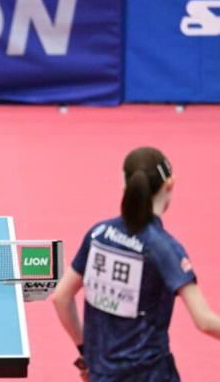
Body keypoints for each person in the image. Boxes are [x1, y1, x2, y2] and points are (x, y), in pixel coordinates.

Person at [52, 146, 220, 381]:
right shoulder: (164, 249)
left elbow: (61, 297)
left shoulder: (99, 234)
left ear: (124, 186)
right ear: (170, 183)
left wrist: (86, 353)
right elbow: (205, 321)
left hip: (103, 375)